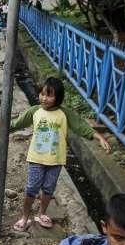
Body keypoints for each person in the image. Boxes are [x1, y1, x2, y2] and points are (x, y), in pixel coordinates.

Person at [8, 77, 111, 231]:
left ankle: (42, 213)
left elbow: (81, 126)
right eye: (42, 94)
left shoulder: (65, 113)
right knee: (31, 189)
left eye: (49, 95)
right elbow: (17, 124)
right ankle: (25, 217)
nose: (44, 98)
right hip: (37, 158)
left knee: (49, 189)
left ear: (58, 97)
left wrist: (98, 137)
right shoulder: (35, 111)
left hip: (56, 160)